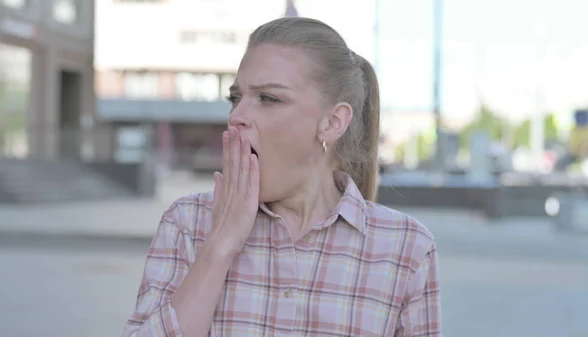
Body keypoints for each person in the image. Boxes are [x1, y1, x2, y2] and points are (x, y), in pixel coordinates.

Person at [123, 17, 441, 337]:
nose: (237, 116)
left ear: (332, 122)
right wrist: (219, 245)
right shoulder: (187, 223)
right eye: (236, 98)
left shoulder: (406, 248)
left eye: (269, 98)